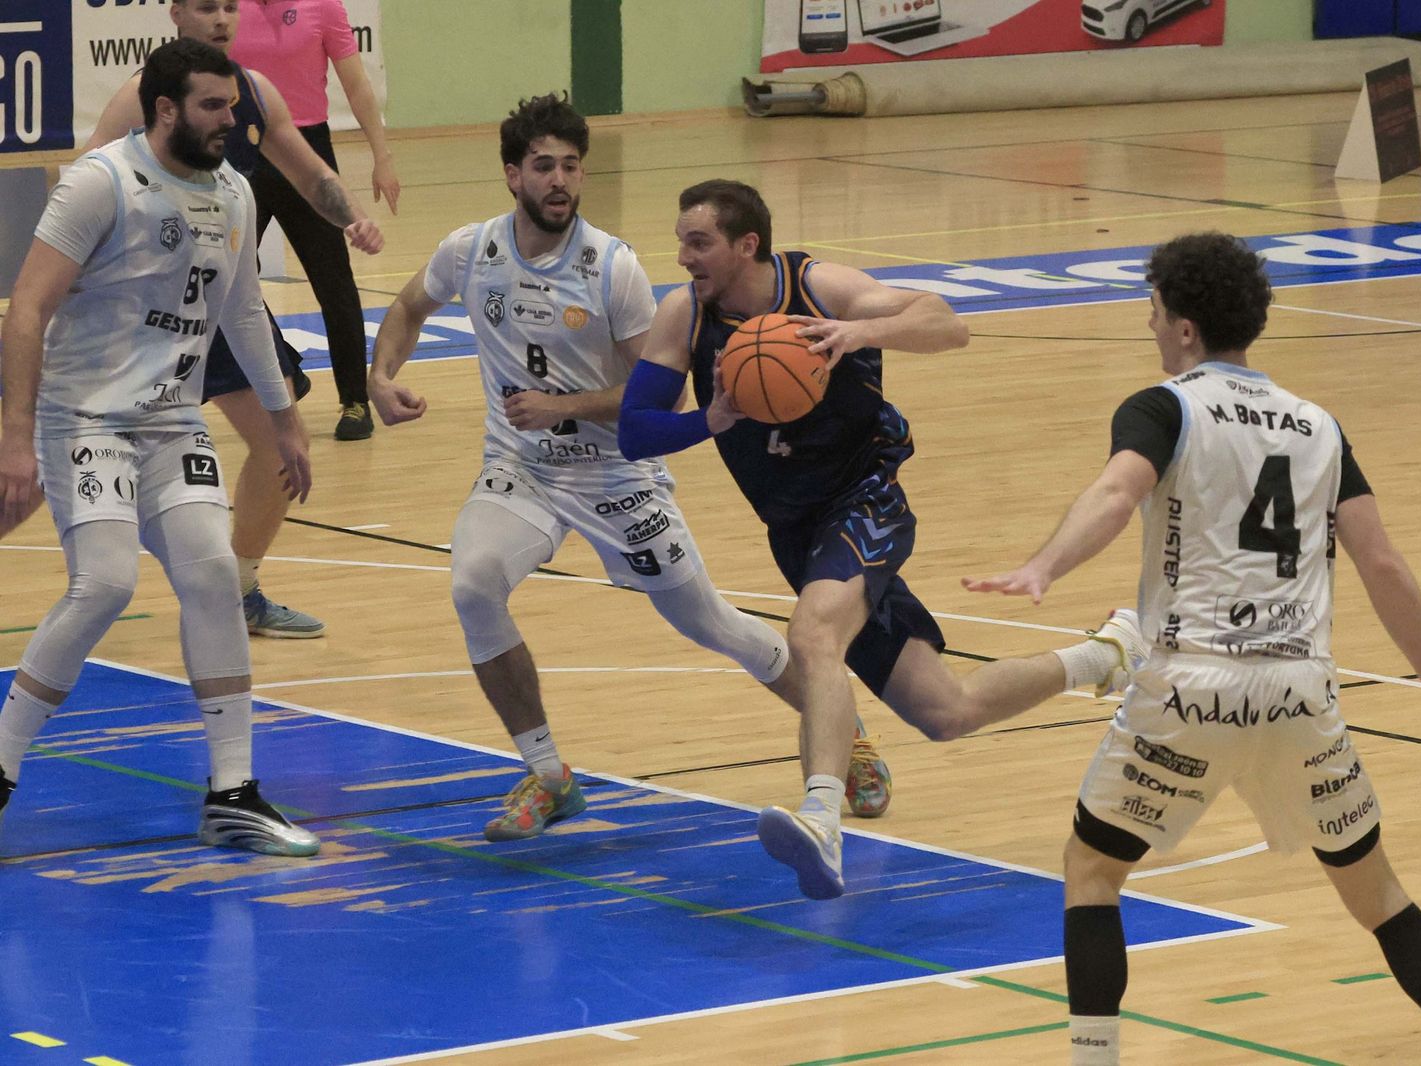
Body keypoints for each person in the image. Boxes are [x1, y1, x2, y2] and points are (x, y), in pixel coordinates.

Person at [964, 232, 1421, 1065]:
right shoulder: (1319, 425)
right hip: (1303, 693)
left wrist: (1045, 564)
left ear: (1185, 329)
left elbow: (1119, 491)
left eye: (1153, 312)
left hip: (1192, 687)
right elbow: (1381, 562)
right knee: (1379, 897)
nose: (1149, 326)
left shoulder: (1166, 406)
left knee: (1091, 871)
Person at [369, 96, 905, 843]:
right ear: (511, 174)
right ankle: (550, 777)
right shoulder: (472, 250)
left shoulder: (610, 267)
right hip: (523, 472)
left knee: (711, 624)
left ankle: (846, 739)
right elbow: (405, 306)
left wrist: (567, 403)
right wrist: (380, 375)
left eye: (571, 166)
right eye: (545, 166)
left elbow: (652, 402)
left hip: (617, 476)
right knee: (473, 582)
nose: (560, 180)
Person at [615, 179, 1144, 901]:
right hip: (796, 529)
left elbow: (946, 322)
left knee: (813, 635)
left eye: (698, 242)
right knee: (945, 711)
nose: (683, 256)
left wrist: (862, 333)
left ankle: (823, 820)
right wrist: (707, 421)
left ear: (746, 245)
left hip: (866, 500)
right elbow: (634, 429)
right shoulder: (687, 314)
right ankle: (1109, 654)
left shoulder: (822, 287)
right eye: (681, 241)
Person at [0, 38, 321, 856]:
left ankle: (234, 792)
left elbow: (244, 311)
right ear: (168, 109)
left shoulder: (237, 194)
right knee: (105, 584)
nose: (231, 120)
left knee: (214, 572)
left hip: (172, 422)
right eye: (214, 107)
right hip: (84, 419)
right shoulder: (100, 182)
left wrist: (283, 418)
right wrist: (15, 435)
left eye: (233, 104)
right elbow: (28, 310)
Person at [87, 0, 387, 638]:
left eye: (229, 6)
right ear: (176, 15)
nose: (221, 18)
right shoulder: (142, 96)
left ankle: (239, 587)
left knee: (285, 442)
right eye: (207, 7)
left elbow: (311, 174)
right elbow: (83, 184)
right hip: (141, 312)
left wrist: (352, 216)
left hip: (219, 299)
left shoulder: (252, 93)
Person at [232, 0, 400, 442]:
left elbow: (357, 85)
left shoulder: (322, 6)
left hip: (307, 148)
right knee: (226, 276)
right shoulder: (227, 9)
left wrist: (382, 157)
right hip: (244, 150)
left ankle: (354, 400)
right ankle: (285, 362)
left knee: (333, 280)